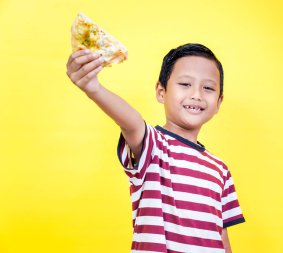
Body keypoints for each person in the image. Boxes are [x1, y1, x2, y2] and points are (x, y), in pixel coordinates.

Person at [66, 43, 245, 252]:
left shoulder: (220, 169)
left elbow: (221, 235)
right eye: (185, 84)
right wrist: (93, 88)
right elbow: (131, 122)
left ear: (218, 102)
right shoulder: (154, 146)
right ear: (161, 92)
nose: (197, 94)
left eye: (208, 88)